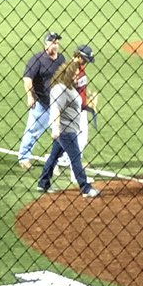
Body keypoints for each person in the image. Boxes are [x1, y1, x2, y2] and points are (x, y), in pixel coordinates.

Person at [35, 59, 101, 197]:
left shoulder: (69, 87)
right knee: (75, 157)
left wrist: (90, 103)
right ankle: (85, 188)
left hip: (67, 129)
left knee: (54, 156)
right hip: (65, 130)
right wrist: (55, 128)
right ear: (69, 74)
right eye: (75, 75)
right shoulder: (60, 89)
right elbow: (55, 110)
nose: (78, 77)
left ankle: (43, 183)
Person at [16, 32, 65, 170]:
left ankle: (63, 158)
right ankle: (24, 158)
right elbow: (27, 79)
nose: (55, 45)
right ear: (46, 43)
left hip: (58, 104)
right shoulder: (37, 59)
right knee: (33, 130)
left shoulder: (61, 59)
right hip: (42, 103)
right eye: (53, 42)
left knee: (64, 132)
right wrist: (30, 96)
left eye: (57, 42)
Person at [55, 44, 98, 185]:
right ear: (78, 56)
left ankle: (56, 161)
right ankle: (75, 175)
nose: (86, 62)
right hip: (73, 112)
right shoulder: (70, 70)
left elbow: (80, 88)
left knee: (76, 141)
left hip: (81, 110)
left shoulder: (81, 68)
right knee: (78, 142)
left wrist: (88, 99)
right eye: (84, 59)